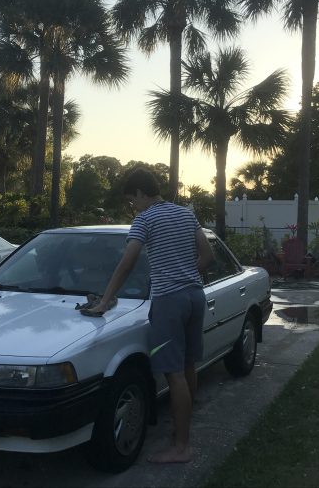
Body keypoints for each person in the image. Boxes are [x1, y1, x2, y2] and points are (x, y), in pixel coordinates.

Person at [85, 167, 214, 464]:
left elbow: (127, 263)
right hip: (195, 296)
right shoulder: (185, 214)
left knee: (174, 374)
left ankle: (182, 448)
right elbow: (207, 257)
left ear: (141, 193)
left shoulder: (145, 219)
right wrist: (185, 274)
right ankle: (183, 433)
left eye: (132, 200)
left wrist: (105, 300)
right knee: (188, 366)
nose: (133, 206)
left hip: (169, 301)